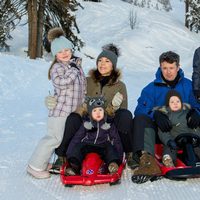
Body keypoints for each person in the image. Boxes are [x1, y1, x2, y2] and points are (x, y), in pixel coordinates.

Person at [46, 43, 133, 172]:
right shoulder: (87, 80)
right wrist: (54, 100)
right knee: (73, 118)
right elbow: (68, 91)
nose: (102, 64)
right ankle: (62, 156)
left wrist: (114, 107)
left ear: (113, 65)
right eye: (100, 60)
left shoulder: (120, 85)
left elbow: (123, 109)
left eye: (107, 61)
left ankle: (129, 154)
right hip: (88, 119)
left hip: (108, 121)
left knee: (125, 115)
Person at [131, 51, 200, 183]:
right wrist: (155, 115)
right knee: (140, 119)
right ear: (160, 67)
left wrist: (196, 112)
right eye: (165, 68)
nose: (168, 72)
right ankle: (147, 161)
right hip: (162, 132)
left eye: (171, 68)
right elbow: (140, 110)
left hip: (187, 130)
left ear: (178, 67)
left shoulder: (188, 85)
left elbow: (197, 104)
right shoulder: (150, 89)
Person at [27, 27, 86, 179]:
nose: (65, 53)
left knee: (58, 138)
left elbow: (83, 87)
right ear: (55, 55)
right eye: (60, 52)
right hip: (59, 111)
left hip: (71, 112)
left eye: (67, 49)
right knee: (53, 138)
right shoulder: (57, 67)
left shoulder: (77, 67)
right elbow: (62, 83)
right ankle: (34, 166)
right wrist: (73, 69)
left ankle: (43, 162)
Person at [65, 96, 123, 175]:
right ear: (90, 113)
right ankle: (73, 167)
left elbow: (116, 139)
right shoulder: (86, 124)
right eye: (94, 111)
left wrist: (119, 157)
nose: (98, 113)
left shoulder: (108, 124)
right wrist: (69, 154)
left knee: (110, 148)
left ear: (104, 111)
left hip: (102, 145)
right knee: (78, 147)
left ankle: (112, 165)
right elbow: (77, 138)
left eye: (100, 110)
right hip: (88, 144)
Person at [156, 90, 200, 167]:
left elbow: (194, 127)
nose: (175, 103)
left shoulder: (188, 113)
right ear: (168, 104)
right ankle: (168, 161)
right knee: (169, 149)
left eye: (177, 101)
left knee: (197, 148)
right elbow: (163, 132)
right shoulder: (166, 116)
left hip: (191, 140)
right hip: (175, 141)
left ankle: (195, 162)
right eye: (172, 102)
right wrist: (168, 141)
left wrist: (197, 137)